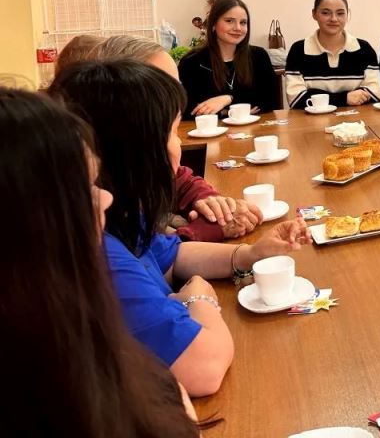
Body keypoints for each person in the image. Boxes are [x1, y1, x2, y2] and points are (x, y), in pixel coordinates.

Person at [50, 61, 310, 397]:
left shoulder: (122, 216)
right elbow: (205, 368)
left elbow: (172, 256)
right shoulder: (99, 254)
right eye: (172, 131)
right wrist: (198, 298)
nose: (179, 145)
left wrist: (250, 253)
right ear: (136, 150)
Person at [0, 87, 200, 436]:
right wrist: (202, 298)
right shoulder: (101, 268)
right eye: (85, 187)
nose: (104, 198)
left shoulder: (60, 331)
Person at [88, 34, 263, 243]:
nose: (174, 96)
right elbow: (148, 257)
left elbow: (180, 179)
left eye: (176, 85)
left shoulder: (146, 155)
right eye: (161, 87)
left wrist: (211, 201)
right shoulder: (99, 187)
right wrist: (203, 231)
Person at [178, 0, 278, 117]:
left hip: (255, 131)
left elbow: (270, 100)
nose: (238, 28)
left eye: (243, 22)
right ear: (213, 24)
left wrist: (228, 99)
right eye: (229, 21)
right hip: (208, 132)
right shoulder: (191, 62)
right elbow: (188, 109)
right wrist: (231, 112)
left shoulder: (258, 56)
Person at [284, 0, 380, 108]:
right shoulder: (298, 50)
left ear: (347, 14)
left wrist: (316, 95)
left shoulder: (364, 49)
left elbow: (374, 94)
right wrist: (345, 98)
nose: (334, 19)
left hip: (356, 123)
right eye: (326, 13)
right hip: (312, 123)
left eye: (340, 13)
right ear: (314, 14)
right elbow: (296, 99)